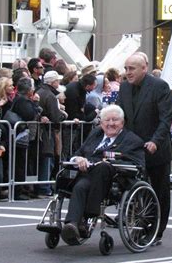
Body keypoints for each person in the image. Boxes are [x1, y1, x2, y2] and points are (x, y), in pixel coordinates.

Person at [60, 105, 145, 244]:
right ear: (101, 122)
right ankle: (73, 224)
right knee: (80, 186)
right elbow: (78, 153)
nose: (111, 123)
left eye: (115, 120)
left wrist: (108, 164)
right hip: (87, 175)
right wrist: (78, 159)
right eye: (107, 120)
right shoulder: (95, 134)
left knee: (103, 166)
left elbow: (138, 165)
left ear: (122, 122)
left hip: (114, 180)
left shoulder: (132, 140)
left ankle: (87, 216)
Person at [117, 53, 172, 245]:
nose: (127, 72)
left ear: (144, 68)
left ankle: (157, 231)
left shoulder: (159, 87)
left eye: (131, 68)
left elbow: (166, 119)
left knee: (159, 191)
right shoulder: (124, 88)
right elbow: (120, 115)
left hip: (155, 149)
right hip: (132, 150)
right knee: (131, 188)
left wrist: (155, 141)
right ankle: (136, 224)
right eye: (126, 68)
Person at [36, 71, 68, 197]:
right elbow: (55, 116)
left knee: (45, 159)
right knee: (47, 159)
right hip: (47, 132)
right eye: (57, 81)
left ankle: (43, 186)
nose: (58, 83)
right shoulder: (50, 96)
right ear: (53, 82)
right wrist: (63, 115)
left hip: (42, 131)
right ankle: (44, 187)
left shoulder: (40, 92)